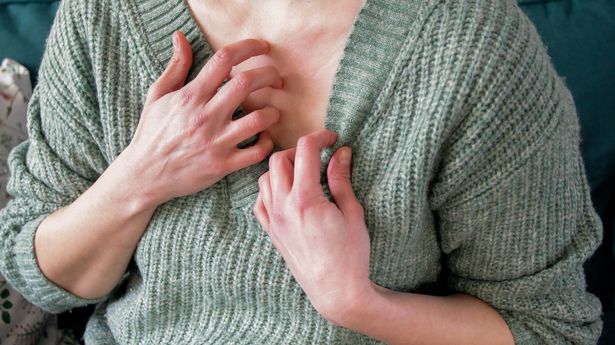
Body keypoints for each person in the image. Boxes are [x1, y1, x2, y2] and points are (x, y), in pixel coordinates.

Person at [0, 0, 603, 343]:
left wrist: (359, 303)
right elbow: (42, 276)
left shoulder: (474, 49)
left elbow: (546, 330)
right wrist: (139, 179)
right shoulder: (104, 16)